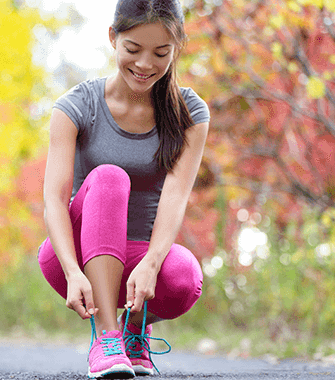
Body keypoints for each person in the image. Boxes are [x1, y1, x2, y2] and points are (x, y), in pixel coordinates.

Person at [37, 0, 210, 377]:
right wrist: (71, 270)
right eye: (133, 49)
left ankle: (133, 332)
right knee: (110, 176)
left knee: (185, 276)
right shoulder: (77, 106)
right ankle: (106, 338)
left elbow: (175, 196)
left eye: (160, 52)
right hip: (75, 257)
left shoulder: (189, 114)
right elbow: (54, 199)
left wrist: (151, 263)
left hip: (138, 263)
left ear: (176, 48)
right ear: (113, 38)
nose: (145, 64)